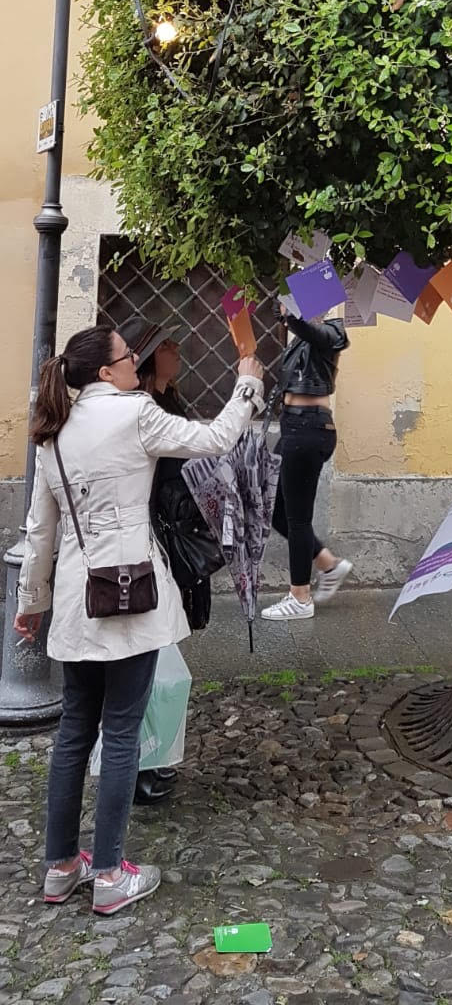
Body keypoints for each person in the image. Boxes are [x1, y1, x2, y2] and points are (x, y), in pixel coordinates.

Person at [14, 324, 264, 915]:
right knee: (121, 731)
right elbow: (217, 437)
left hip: (79, 597)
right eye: (128, 356)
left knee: (75, 731)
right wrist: (247, 384)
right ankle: (109, 874)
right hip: (132, 593)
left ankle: (59, 867)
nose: (135, 362)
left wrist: (31, 603)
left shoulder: (54, 431)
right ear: (107, 372)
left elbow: (39, 531)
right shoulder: (135, 413)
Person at [126, 322, 210, 807]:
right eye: (167, 347)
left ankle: (151, 757)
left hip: (172, 533)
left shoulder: (170, 401)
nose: (177, 352)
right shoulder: (146, 410)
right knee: (149, 654)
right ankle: (142, 763)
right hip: (151, 537)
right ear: (146, 358)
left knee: (162, 653)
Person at [262, 306, 352, 621]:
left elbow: (315, 333)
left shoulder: (334, 330)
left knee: (298, 519)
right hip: (295, 427)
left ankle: (299, 596)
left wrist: (292, 319)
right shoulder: (302, 339)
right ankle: (328, 563)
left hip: (308, 429)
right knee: (277, 513)